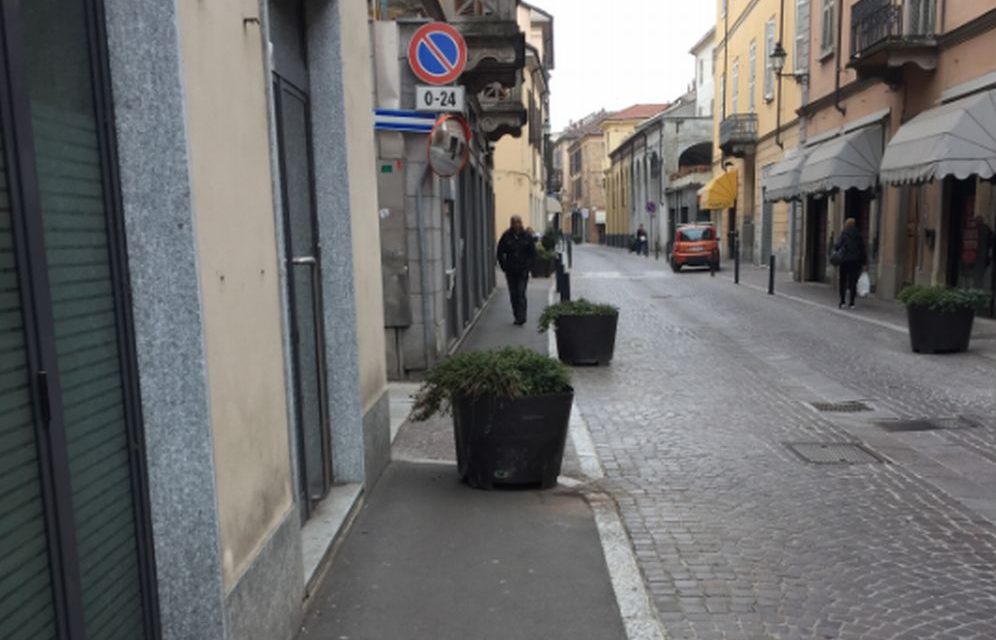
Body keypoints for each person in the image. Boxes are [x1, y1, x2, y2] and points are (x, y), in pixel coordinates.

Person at [497, 215, 536, 325]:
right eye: (514, 223)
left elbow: (532, 253)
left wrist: (529, 267)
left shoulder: (527, 236)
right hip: (511, 271)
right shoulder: (506, 236)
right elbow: (500, 252)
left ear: (521, 223)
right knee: (513, 294)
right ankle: (516, 315)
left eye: (518, 222)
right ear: (511, 224)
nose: (516, 225)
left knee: (521, 292)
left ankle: (522, 317)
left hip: (523, 270)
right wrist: (504, 267)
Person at [834, 218, 867, 309]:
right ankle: (852, 303)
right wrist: (864, 262)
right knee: (853, 282)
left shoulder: (844, 234)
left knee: (842, 281)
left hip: (844, 261)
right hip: (855, 261)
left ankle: (842, 302)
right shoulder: (858, 235)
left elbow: (837, 246)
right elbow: (862, 249)